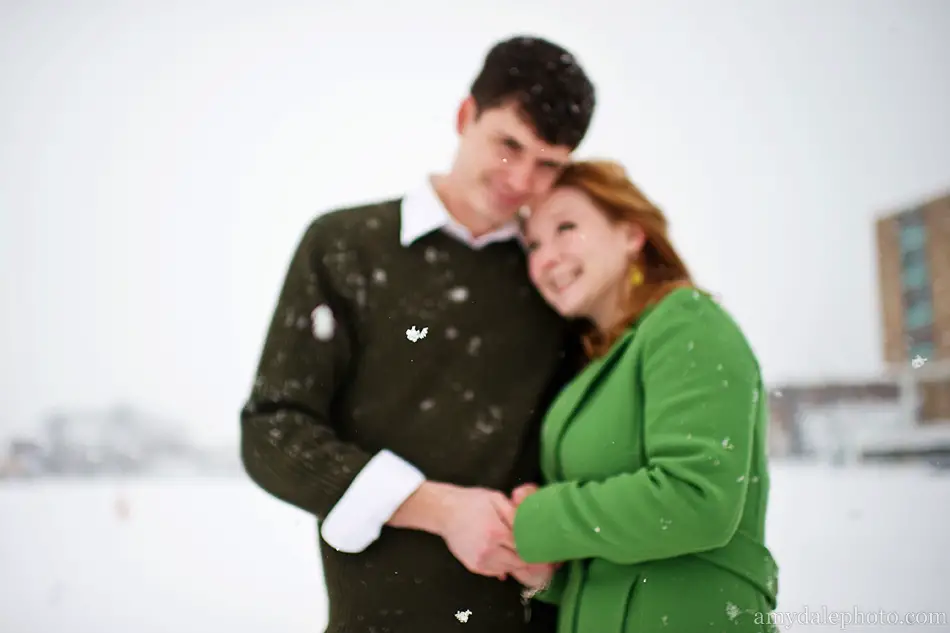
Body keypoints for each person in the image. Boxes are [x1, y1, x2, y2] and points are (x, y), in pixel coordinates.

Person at [239, 35, 596, 632]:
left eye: (549, 164)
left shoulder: (557, 280)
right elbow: (273, 431)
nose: (521, 179)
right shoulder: (345, 248)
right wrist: (439, 508)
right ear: (465, 117)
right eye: (508, 145)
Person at [508, 160, 780, 632]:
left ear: (632, 234)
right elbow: (615, 546)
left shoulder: (685, 322)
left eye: (566, 227)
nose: (546, 257)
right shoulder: (600, 364)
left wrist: (536, 520)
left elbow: (696, 499)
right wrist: (549, 572)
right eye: (533, 244)